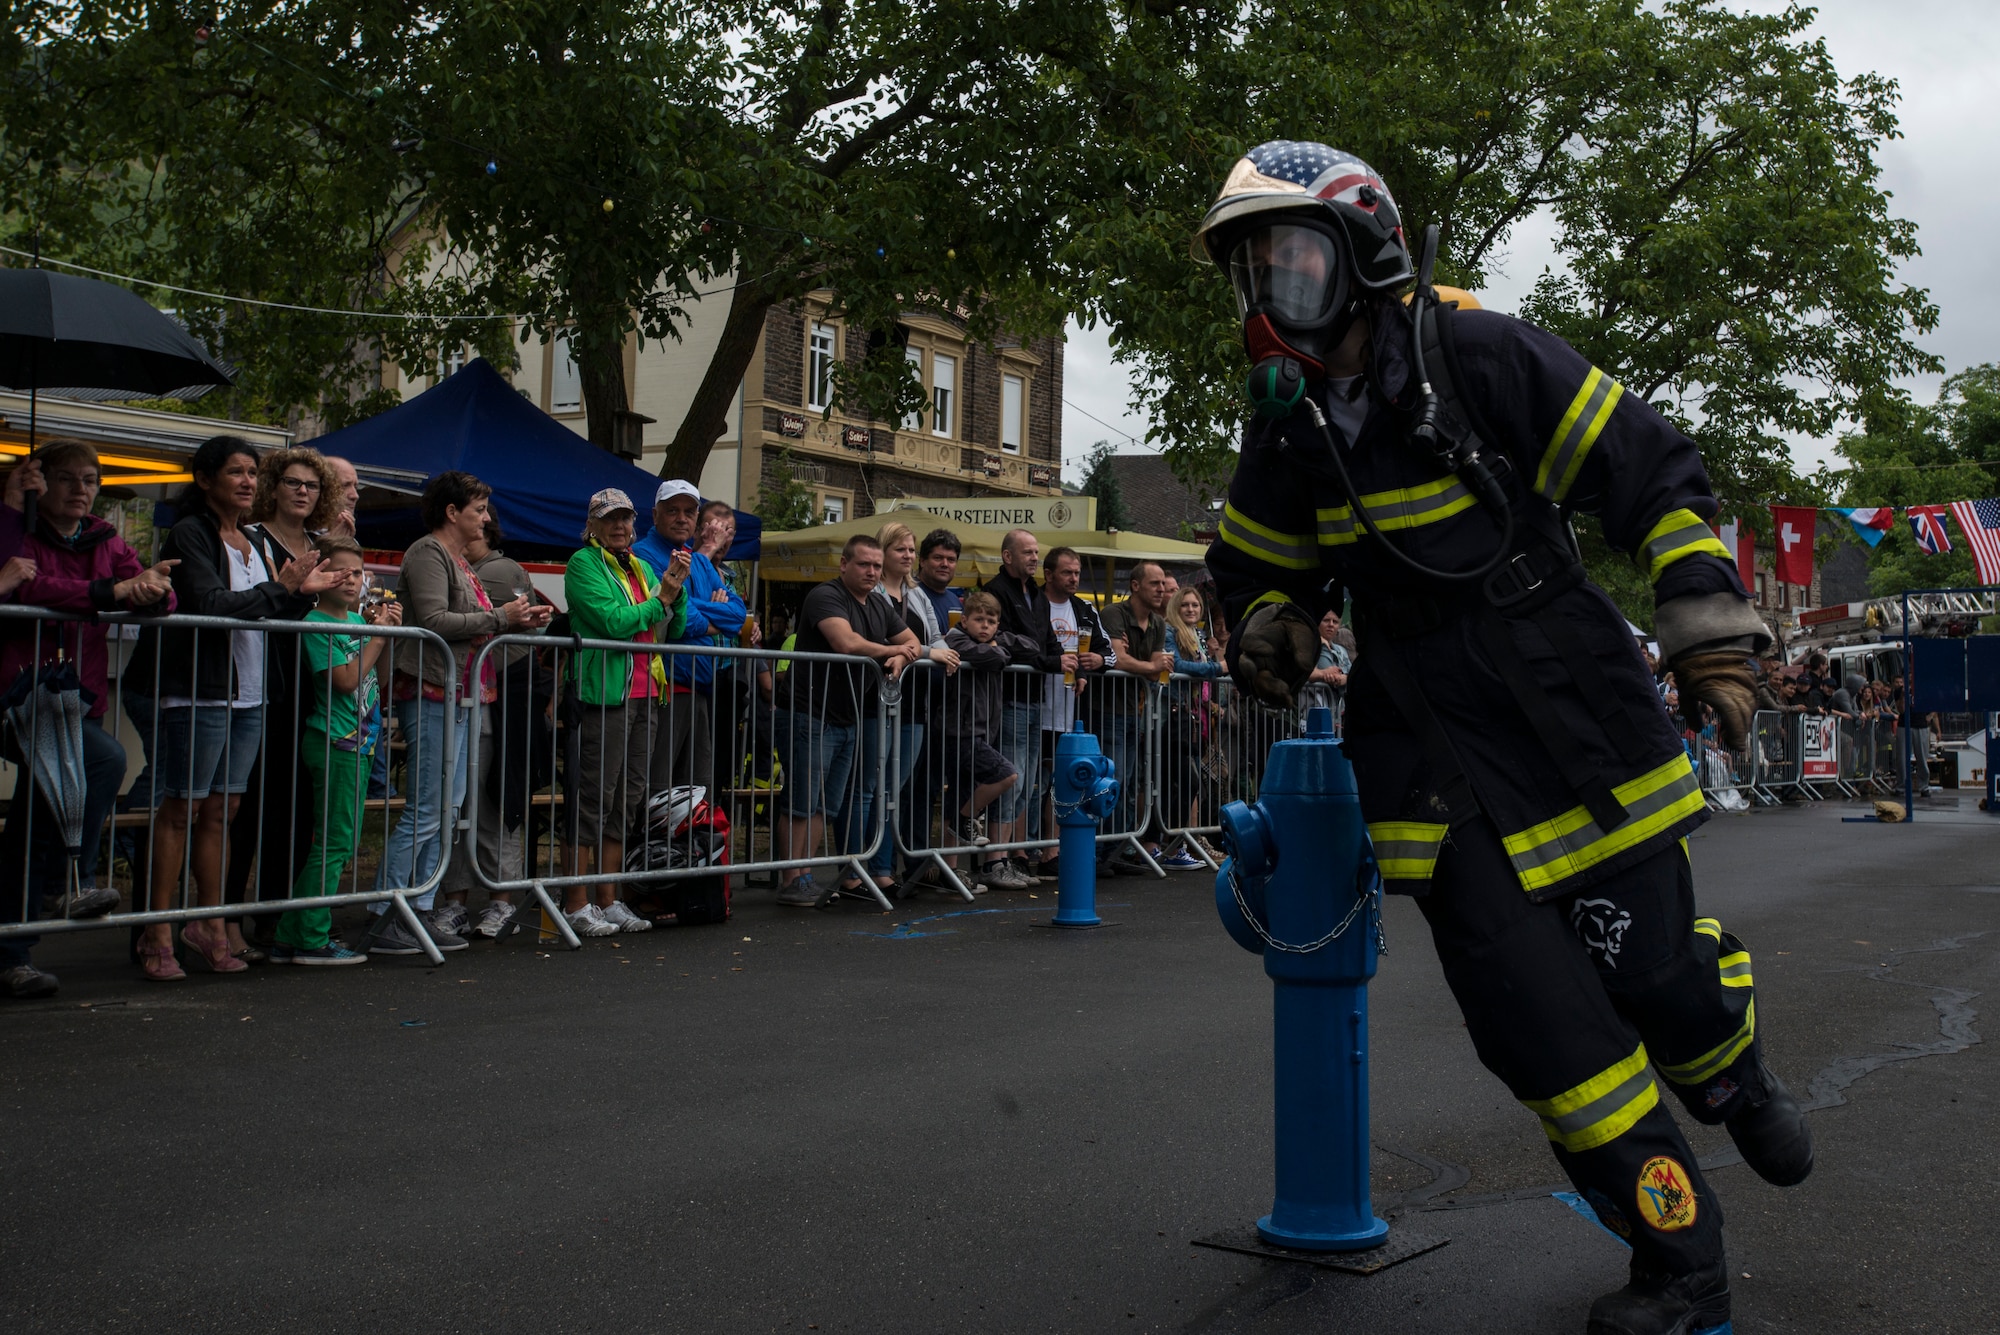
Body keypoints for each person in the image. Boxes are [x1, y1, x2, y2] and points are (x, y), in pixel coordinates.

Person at [1195, 141, 1809, 1332]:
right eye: (1255, 268)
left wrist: (1705, 632)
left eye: (1293, 260)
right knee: (1542, 1033)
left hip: (1563, 711)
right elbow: (1256, 568)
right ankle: (1677, 1260)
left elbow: (1649, 471)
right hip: (1428, 751)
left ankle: (1728, 1068)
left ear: (1365, 254)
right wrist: (1268, 623)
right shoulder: (1289, 428)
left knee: (1653, 979)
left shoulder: (1478, 353)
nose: (1272, 292)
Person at [129, 435, 341, 980]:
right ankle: (156, 932)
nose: (247, 481)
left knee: (224, 813)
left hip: (250, 694)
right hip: (199, 690)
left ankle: (210, 922)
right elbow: (213, 605)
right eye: (235, 473)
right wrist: (283, 589)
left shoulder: (252, 539)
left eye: (252, 472)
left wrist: (301, 594)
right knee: (182, 810)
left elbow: (273, 618)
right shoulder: (190, 533)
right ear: (205, 480)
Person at [0, 445, 176, 995]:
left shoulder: (104, 536)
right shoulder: (18, 531)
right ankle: (65, 877)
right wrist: (107, 592)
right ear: (37, 482)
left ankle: (15, 950)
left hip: (80, 698)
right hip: (22, 695)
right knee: (105, 759)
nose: (81, 489)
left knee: (35, 814)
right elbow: (18, 583)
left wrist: (151, 590)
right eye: (67, 479)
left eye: (91, 480)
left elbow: (153, 595)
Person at [364, 470, 550, 957]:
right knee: (429, 810)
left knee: (445, 810)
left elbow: (476, 624)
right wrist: (501, 618)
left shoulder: (455, 559)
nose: (487, 518)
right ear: (453, 512)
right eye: (479, 509)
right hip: (429, 692)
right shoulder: (427, 552)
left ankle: (416, 910)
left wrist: (522, 622)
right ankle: (389, 912)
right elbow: (433, 622)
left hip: (460, 695)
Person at [227, 447, 344, 957]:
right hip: (263, 680)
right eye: (293, 482)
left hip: (313, 686)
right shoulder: (253, 540)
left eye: (312, 486)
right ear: (273, 487)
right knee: (250, 808)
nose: (302, 491)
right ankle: (226, 917)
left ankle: (275, 919)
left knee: (298, 809)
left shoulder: (323, 544)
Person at [564, 487, 689, 937]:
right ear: (592, 525)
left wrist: (676, 588)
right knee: (594, 798)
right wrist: (663, 598)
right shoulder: (583, 563)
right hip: (604, 696)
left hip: (644, 693)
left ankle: (609, 899)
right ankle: (576, 903)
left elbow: (668, 625)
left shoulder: (638, 564)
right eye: (609, 519)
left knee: (627, 801)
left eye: (625, 518)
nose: (619, 526)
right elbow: (614, 621)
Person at [273, 535, 401, 965]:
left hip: (360, 743)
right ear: (319, 575)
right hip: (334, 741)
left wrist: (385, 634)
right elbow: (345, 681)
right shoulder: (315, 624)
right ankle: (311, 937)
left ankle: (292, 932)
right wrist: (377, 638)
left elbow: (375, 680)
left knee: (339, 844)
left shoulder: (359, 622)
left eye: (359, 572)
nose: (351, 580)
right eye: (341, 571)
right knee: (333, 845)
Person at [771, 535, 918, 906]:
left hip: (847, 716)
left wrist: (901, 658)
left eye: (876, 567)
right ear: (844, 564)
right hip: (810, 713)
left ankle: (807, 874)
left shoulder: (880, 605)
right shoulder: (826, 596)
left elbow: (914, 640)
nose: (871, 572)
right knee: (802, 801)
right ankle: (791, 878)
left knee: (826, 804)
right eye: (863, 564)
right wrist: (893, 650)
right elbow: (846, 643)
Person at [440, 515, 537, 938]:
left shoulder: (497, 570)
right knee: (461, 803)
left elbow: (505, 635)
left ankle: (499, 901)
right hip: (466, 699)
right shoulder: (455, 566)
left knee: (491, 800)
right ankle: (460, 901)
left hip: (494, 703)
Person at [856, 520, 958, 896]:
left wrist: (931, 650)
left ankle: (885, 864)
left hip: (914, 704)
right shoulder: (873, 592)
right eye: (902, 549)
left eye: (912, 550)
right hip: (876, 700)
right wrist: (929, 652)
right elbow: (883, 639)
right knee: (874, 787)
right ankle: (873, 867)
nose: (909, 556)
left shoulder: (918, 595)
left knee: (893, 790)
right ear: (883, 552)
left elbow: (934, 637)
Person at [634, 480, 745, 801]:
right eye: (673, 510)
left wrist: (691, 607)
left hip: (699, 687)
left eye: (689, 511)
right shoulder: (643, 555)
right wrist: (713, 616)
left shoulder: (696, 560)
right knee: (658, 789)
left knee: (696, 789)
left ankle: (684, 852)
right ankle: (650, 852)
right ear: (655, 515)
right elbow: (676, 621)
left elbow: (738, 615)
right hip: (664, 687)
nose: (682, 518)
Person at [981, 530, 1063, 878]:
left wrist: (1068, 662)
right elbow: (1008, 642)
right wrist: (1047, 660)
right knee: (1011, 779)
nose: (1034, 557)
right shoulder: (996, 592)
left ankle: (1014, 856)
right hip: (1010, 698)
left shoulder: (1038, 595)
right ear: (1007, 556)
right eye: (1027, 552)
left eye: (1036, 552)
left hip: (1035, 699)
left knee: (1029, 781)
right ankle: (995, 860)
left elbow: (1048, 641)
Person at [1035, 546, 1113, 881]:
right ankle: (1026, 849)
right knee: (1032, 782)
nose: (1074, 578)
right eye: (1067, 572)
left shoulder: (1083, 609)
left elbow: (1108, 653)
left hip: (1073, 711)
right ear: (1048, 574)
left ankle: (1054, 849)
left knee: (1060, 781)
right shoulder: (1033, 603)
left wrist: (1096, 662)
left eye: (1077, 572)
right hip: (1035, 704)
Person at [1098, 560, 1175, 869]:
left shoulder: (1158, 623)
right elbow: (1117, 660)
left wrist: (1138, 663)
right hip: (1106, 708)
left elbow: (1158, 669)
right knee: (1111, 780)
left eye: (1162, 584)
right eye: (1155, 584)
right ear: (1135, 586)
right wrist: (1142, 664)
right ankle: (1101, 850)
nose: (1161, 589)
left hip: (1136, 710)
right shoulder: (1114, 614)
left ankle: (1119, 849)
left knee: (1131, 782)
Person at [942, 591, 1021, 888]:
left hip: (981, 730)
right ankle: (967, 819)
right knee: (1007, 774)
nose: (985, 626)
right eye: (979, 620)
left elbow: (1029, 645)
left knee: (958, 796)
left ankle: (951, 870)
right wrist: (997, 649)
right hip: (960, 732)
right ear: (965, 620)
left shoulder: (992, 639)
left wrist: (1000, 644)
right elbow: (990, 657)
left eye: (991, 621)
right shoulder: (956, 639)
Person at [1158, 585, 1226, 868]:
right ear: (1175, 607)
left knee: (1191, 782)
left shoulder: (1198, 635)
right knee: (1184, 781)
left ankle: (1179, 845)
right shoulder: (1170, 632)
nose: (1190, 609)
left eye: (1195, 605)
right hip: (1171, 715)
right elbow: (1178, 666)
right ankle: (1171, 845)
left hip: (1195, 718)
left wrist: (1213, 657)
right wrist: (1216, 667)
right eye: (1185, 605)